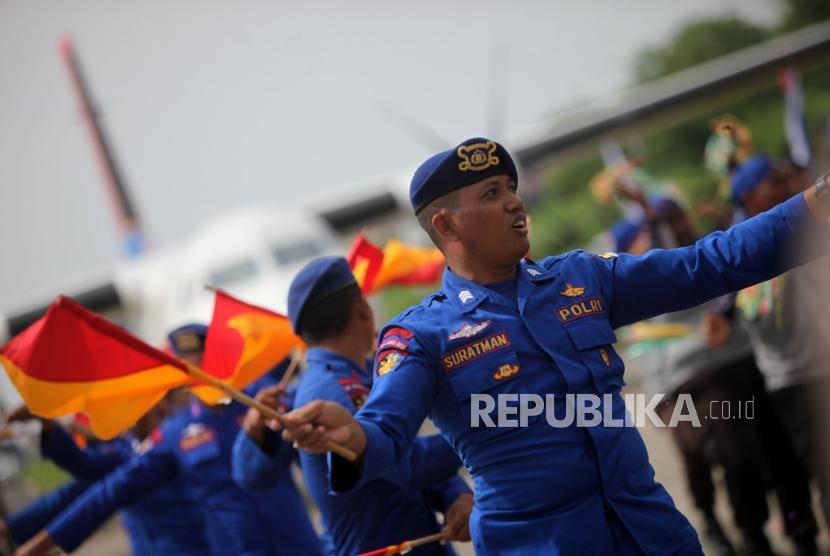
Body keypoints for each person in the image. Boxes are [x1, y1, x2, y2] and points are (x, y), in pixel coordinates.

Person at [281, 137, 830, 555]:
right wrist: (349, 434)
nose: (515, 203)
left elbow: (709, 262)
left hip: (652, 531)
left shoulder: (583, 279)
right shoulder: (420, 335)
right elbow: (385, 432)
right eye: (492, 194)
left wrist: (812, 207)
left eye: (512, 188)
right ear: (447, 225)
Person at [611, 195, 817, 556]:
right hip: (682, 387)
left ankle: (800, 534)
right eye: (662, 223)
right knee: (726, 455)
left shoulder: (709, 252)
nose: (676, 226)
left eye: (678, 217)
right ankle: (733, 528)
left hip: (740, 367)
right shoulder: (631, 279)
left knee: (779, 452)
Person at [233, 257, 473, 555]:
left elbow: (403, 454)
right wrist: (480, 426)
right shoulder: (333, 391)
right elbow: (406, 464)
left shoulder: (358, 376)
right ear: (362, 308)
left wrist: (455, 495)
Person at [16, 324, 322, 556]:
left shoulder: (264, 401)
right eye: (189, 369)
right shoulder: (175, 433)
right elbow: (111, 491)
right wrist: (41, 543)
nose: (200, 375)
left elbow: (320, 446)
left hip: (297, 543)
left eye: (203, 364)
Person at [723, 155, 830, 522]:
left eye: (787, 179)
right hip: (799, 379)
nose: (786, 186)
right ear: (751, 196)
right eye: (776, 181)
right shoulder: (745, 251)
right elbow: (760, 320)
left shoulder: (812, 227)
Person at [2, 388, 205, 555]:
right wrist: (47, 422)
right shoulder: (126, 449)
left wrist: (37, 545)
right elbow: (86, 476)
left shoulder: (177, 442)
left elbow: (103, 496)